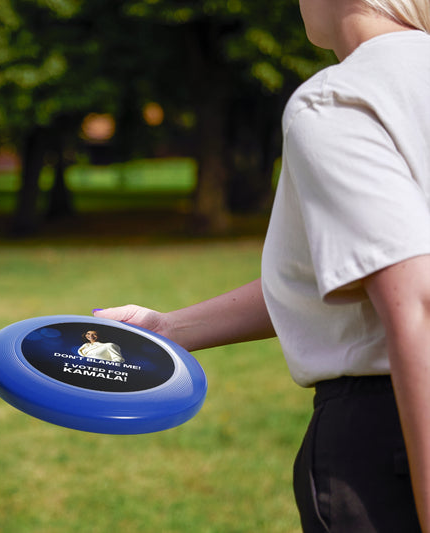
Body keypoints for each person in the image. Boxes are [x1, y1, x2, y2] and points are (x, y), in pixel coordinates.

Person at [94, 1, 430, 531]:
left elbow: (416, 302)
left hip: (392, 439)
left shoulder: (341, 99)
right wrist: (169, 328)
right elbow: (349, 273)